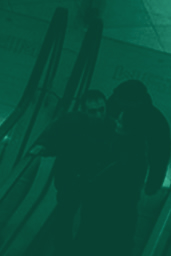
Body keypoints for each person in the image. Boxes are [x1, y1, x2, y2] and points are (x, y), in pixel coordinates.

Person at [73, 81, 171, 256]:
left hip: (125, 173)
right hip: (116, 172)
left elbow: (160, 152)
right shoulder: (151, 116)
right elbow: (160, 152)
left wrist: (153, 182)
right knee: (113, 214)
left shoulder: (145, 115)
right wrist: (153, 183)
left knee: (113, 213)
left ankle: (91, 247)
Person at [28, 89, 112, 255]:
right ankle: (64, 251)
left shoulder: (112, 127)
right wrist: (43, 147)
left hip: (94, 183)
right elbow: (51, 138)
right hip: (71, 179)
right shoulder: (70, 122)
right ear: (83, 110)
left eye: (101, 109)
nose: (98, 115)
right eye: (93, 111)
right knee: (65, 219)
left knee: (88, 222)